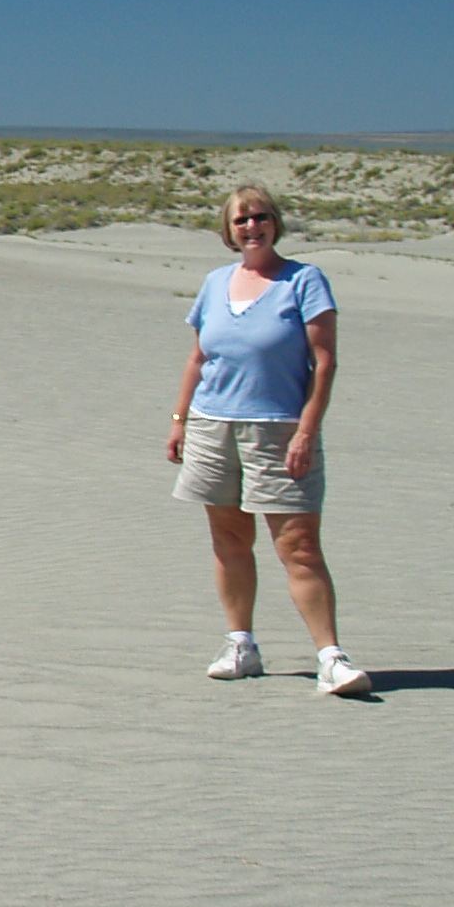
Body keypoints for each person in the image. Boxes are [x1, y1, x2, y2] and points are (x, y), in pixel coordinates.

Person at [166, 183, 371, 696]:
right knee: (229, 540)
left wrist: (307, 429)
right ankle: (241, 644)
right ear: (228, 231)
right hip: (214, 426)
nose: (251, 227)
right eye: (241, 220)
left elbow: (324, 363)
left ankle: (331, 657)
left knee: (298, 547)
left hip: (278, 428)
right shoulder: (215, 283)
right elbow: (199, 358)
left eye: (259, 217)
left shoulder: (304, 282)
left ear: (275, 223)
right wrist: (179, 419)